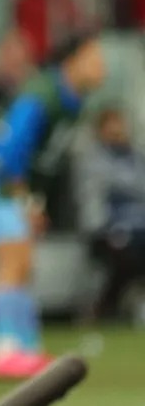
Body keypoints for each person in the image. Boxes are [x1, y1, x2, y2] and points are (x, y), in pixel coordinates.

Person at [0, 34, 106, 379]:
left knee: (23, 264)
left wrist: (34, 201)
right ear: (72, 62)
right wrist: (26, 201)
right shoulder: (41, 94)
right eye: (94, 57)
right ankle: (5, 350)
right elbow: (12, 150)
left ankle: (27, 346)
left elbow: (42, 160)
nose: (101, 66)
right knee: (13, 263)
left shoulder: (71, 99)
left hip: (11, 188)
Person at [76, 107, 145, 321]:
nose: (118, 131)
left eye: (120, 125)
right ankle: (104, 307)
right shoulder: (92, 158)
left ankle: (127, 306)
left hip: (140, 228)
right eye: (111, 126)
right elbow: (92, 196)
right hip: (105, 229)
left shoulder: (137, 157)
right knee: (124, 256)